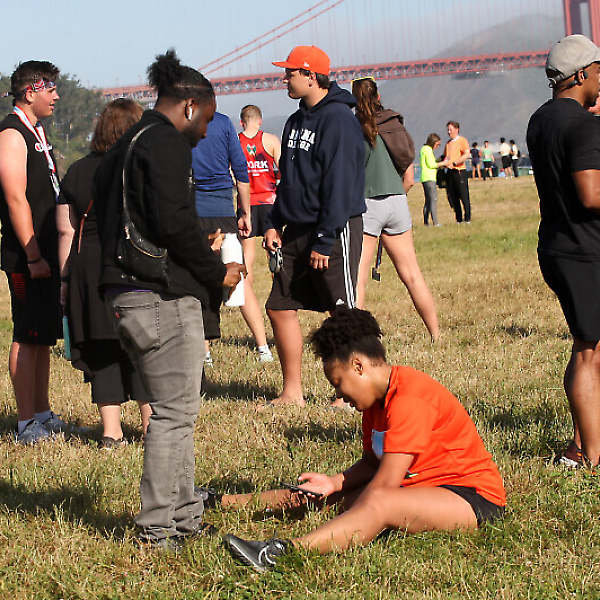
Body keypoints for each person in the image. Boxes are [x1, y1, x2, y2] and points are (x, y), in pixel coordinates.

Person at [94, 50, 245, 550]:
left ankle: (185, 516)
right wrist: (216, 272)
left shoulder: (123, 145)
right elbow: (174, 222)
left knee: (175, 411)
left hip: (122, 294)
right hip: (159, 296)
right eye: (206, 119)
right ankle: (158, 529)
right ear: (189, 106)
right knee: (174, 416)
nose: (206, 132)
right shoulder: (165, 142)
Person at [221, 307, 506, 572]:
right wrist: (333, 484)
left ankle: (280, 553)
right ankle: (220, 502)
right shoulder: (374, 403)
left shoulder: (410, 397)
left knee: (377, 502)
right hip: (420, 490)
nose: (339, 394)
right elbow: (372, 464)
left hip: (471, 498)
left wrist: (350, 508)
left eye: (338, 383)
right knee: (326, 497)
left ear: (358, 366)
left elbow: (384, 485)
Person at [262, 45, 365, 407]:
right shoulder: (294, 121)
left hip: (332, 228)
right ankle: (292, 393)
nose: (284, 79)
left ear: (310, 75)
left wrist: (324, 239)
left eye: (289, 73)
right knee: (278, 306)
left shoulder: (339, 120)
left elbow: (340, 184)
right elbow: (288, 181)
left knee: (342, 313)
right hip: (295, 229)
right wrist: (273, 223)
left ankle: (349, 394)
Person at [57, 99, 151, 449]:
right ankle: (151, 427)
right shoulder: (142, 167)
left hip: (89, 266)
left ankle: (112, 433)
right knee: (142, 346)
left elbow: (66, 230)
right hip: (132, 261)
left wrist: (65, 280)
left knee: (101, 347)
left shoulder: (78, 170)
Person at [0, 61, 86, 444]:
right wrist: (33, 255)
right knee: (26, 334)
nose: (56, 96)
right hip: (26, 256)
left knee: (42, 337)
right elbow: (15, 198)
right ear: (30, 91)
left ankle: (42, 414)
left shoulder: (37, 131)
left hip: (45, 252)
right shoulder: (11, 133)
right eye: (50, 89)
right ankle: (25, 425)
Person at [527, 34, 600, 467]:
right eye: (599, 70)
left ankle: (582, 442)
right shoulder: (585, 126)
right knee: (588, 352)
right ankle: (590, 455)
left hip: (555, 244)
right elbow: (591, 195)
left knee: (589, 346)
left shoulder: (540, 119)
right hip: (584, 249)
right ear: (581, 74)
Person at [352, 78, 439, 341]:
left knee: (358, 278)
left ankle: (357, 339)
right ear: (378, 96)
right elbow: (410, 178)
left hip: (367, 205)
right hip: (397, 201)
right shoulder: (394, 124)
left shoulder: (353, 128)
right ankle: (436, 335)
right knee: (412, 276)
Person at [192, 111, 272, 364]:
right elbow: (240, 169)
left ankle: (204, 352)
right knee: (239, 276)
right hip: (223, 209)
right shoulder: (223, 122)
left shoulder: (181, 120)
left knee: (199, 281)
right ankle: (263, 347)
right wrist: (245, 212)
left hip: (193, 209)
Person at [238, 104, 282, 362]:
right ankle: (279, 292)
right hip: (269, 202)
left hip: (246, 204)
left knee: (247, 256)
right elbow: (282, 172)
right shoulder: (271, 140)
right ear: (260, 120)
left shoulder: (236, 142)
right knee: (274, 250)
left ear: (242, 122)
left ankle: (248, 293)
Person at [444, 121, 471, 223]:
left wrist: (456, 162)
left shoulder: (462, 141)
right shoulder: (448, 144)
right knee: (453, 196)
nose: (449, 132)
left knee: (463, 195)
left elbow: (466, 154)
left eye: (450, 129)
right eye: (448, 130)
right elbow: (446, 157)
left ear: (457, 129)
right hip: (450, 172)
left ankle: (467, 218)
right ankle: (458, 219)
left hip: (459, 171)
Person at [420, 133, 445, 226]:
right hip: (429, 178)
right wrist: (443, 163)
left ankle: (426, 222)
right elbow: (431, 164)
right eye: (437, 145)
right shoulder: (428, 150)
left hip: (424, 178)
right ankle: (435, 222)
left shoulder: (424, 149)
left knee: (428, 201)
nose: (437, 147)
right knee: (433, 200)